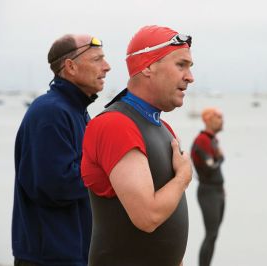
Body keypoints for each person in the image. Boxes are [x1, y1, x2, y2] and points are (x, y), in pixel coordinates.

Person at [81, 25, 194, 266]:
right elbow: (148, 216)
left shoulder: (162, 128)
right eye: (181, 65)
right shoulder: (115, 125)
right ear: (148, 67)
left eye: (189, 67)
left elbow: (169, 228)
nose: (190, 76)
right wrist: (183, 177)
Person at [12, 34, 110, 266]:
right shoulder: (50, 112)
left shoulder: (77, 110)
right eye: (97, 59)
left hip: (73, 252)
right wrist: (112, 169)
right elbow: (56, 186)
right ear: (70, 67)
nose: (107, 67)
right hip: (49, 257)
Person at [191, 107, 225, 266]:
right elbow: (210, 166)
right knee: (211, 234)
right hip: (208, 191)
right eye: (218, 117)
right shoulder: (202, 140)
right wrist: (220, 158)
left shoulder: (213, 139)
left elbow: (214, 164)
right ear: (209, 120)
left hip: (217, 190)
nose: (222, 121)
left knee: (214, 234)